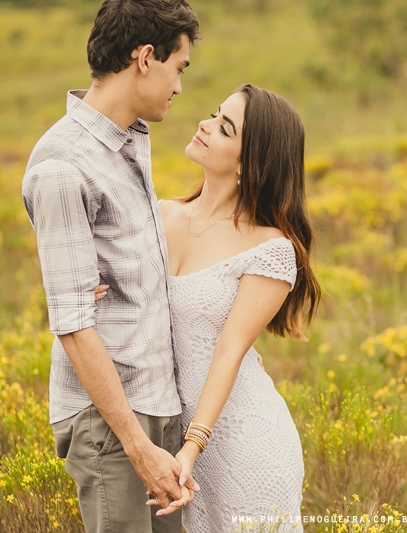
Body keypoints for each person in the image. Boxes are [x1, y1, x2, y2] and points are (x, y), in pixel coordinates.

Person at [21, 1, 200, 532]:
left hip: (156, 405)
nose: (179, 86)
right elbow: (73, 323)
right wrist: (136, 444)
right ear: (146, 58)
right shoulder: (63, 165)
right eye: (178, 68)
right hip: (114, 423)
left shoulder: (127, 141)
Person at [127, 84, 320, 532]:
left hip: (244, 443)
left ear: (249, 163)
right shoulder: (160, 215)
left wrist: (192, 446)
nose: (204, 125)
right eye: (215, 114)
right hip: (168, 436)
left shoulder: (270, 248)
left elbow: (229, 350)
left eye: (224, 127)